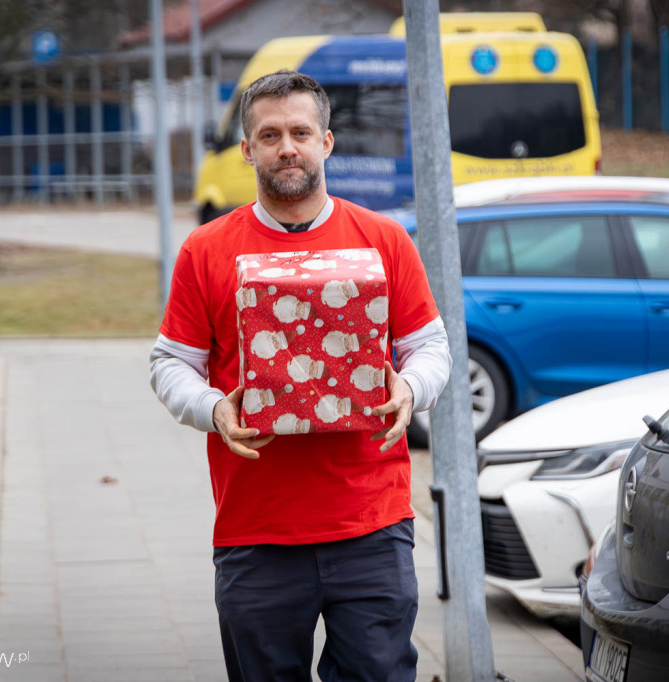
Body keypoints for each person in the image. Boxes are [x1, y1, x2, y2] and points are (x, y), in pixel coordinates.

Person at [149, 69, 451, 682]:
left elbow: (430, 346)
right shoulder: (206, 250)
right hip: (256, 529)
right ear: (247, 149)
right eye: (270, 135)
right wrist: (213, 409)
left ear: (326, 142)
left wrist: (411, 387)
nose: (287, 146)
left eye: (300, 132)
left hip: (371, 523)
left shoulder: (384, 240)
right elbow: (170, 362)